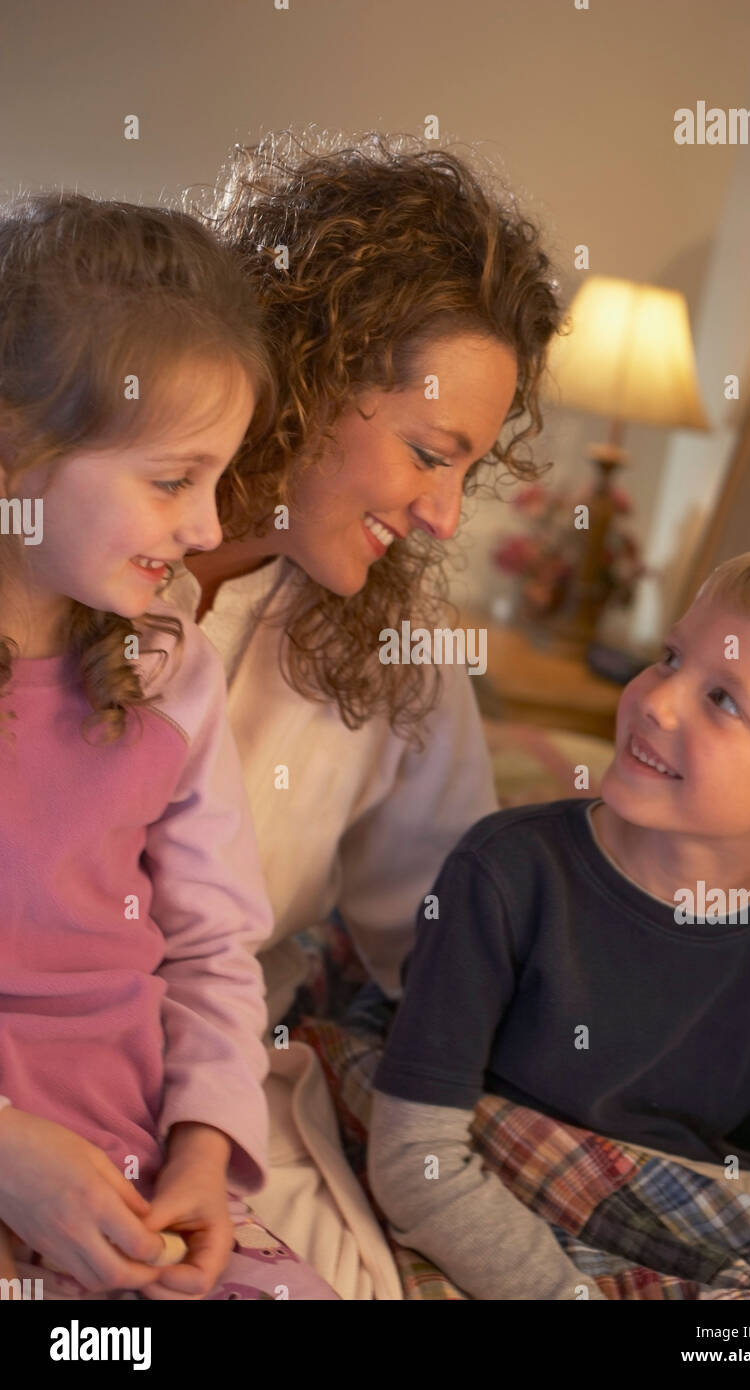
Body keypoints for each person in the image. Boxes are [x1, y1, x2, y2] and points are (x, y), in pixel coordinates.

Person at [167, 132, 750, 1297]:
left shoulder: (390, 651)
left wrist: (733, 876)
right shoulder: (65, 558)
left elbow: (469, 936)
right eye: (428, 454)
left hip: (214, 1076)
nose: (443, 516)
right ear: (303, 373)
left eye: (466, 470)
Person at [0, 191, 337, 1301]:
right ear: (17, 453)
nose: (206, 529)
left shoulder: (170, 671)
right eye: (169, 479)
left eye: (216, 478)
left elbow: (209, 949)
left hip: (134, 1169)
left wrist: (202, 1145)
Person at [367, 550, 750, 1300]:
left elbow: (741, 1183)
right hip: (495, 1219)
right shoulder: (505, 875)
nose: (659, 701)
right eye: (670, 657)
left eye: (724, 700)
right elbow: (413, 1157)